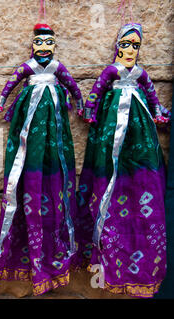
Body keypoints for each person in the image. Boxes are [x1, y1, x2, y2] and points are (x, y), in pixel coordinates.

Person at [0, 24, 84, 296]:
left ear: (54, 46)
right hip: (29, 126)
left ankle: (57, 256)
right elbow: (11, 83)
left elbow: (72, 86)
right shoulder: (28, 67)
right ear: (33, 46)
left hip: (55, 127)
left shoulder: (57, 68)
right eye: (39, 43)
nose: (43, 48)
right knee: (26, 169)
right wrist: (1, 100)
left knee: (56, 172)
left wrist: (80, 102)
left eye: (48, 43)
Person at [79, 23, 169, 298]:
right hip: (110, 125)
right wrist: (91, 109)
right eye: (125, 44)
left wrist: (158, 111)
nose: (130, 50)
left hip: (139, 129)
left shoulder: (140, 74)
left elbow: (152, 97)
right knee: (108, 174)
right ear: (117, 45)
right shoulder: (111, 71)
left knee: (140, 177)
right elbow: (96, 91)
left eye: (135, 45)